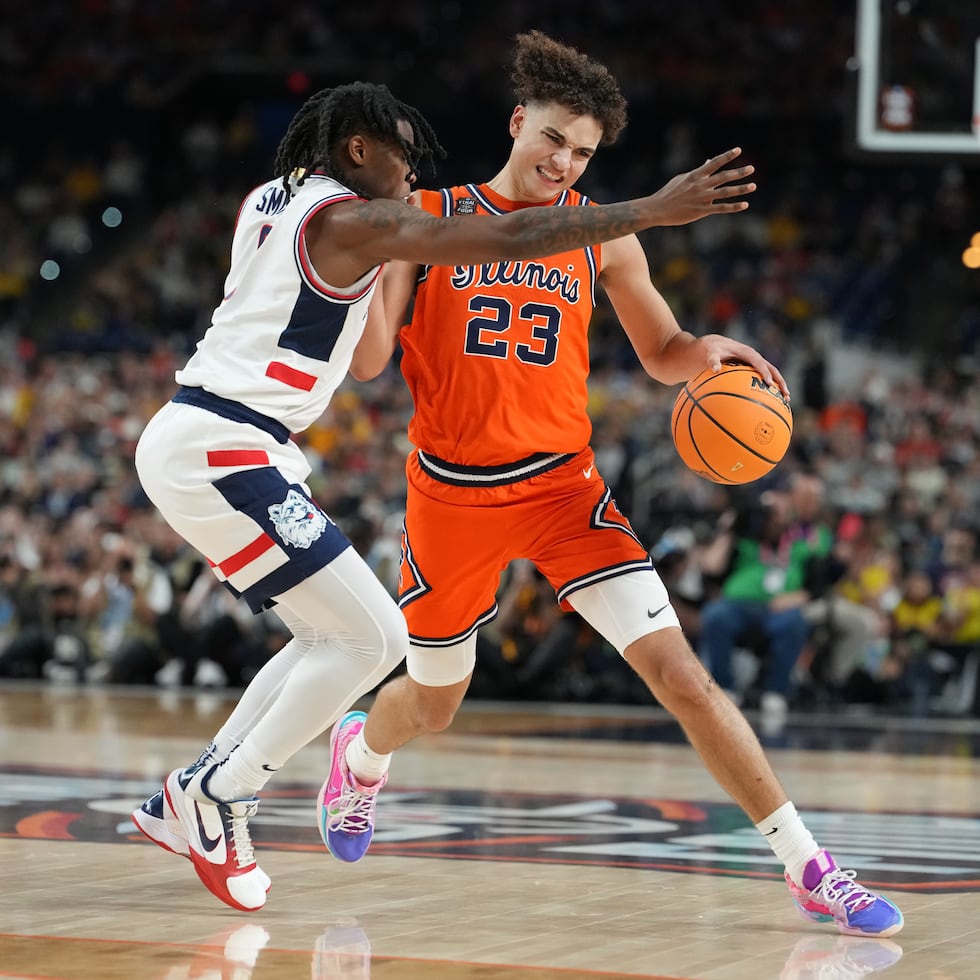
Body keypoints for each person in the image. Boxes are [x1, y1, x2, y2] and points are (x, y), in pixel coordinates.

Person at [130, 79, 764, 913]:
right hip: (227, 443)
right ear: (357, 151)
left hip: (227, 442)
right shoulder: (364, 219)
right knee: (371, 642)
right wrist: (648, 209)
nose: (413, 173)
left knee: (329, 633)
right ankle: (216, 793)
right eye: (402, 155)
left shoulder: (273, 198)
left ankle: (195, 792)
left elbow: (362, 357)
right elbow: (505, 234)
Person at [330, 32, 903, 938]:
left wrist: (705, 353)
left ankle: (809, 864)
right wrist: (357, 270)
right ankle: (360, 756)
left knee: (682, 675)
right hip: (452, 495)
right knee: (434, 703)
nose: (564, 162)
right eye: (553, 138)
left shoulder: (604, 239)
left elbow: (663, 350)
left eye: (584, 152)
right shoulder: (428, 219)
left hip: (564, 492)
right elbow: (367, 365)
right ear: (518, 123)